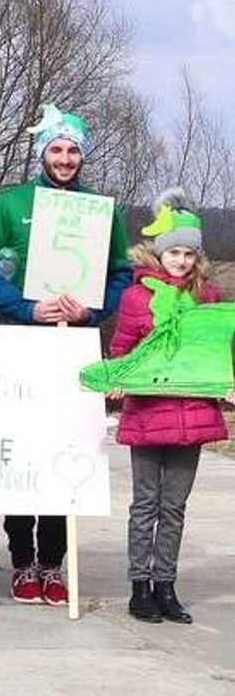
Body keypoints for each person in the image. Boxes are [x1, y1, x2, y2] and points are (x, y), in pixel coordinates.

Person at [0, 103, 131, 606]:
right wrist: (25, 308)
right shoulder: (11, 202)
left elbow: (120, 274)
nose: (64, 159)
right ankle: (22, 560)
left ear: (82, 157)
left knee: (69, 452)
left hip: (75, 343)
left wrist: (93, 311)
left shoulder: (102, 211)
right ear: (43, 153)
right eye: (56, 150)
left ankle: (53, 561)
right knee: (24, 453)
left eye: (72, 151)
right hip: (23, 341)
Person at [107, 189, 228, 626]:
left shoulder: (206, 299)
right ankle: (139, 585)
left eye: (187, 253)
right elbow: (123, 349)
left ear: (196, 257)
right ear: (160, 253)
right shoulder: (137, 298)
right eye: (173, 251)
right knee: (145, 504)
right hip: (148, 413)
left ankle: (166, 585)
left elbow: (215, 351)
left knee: (174, 506)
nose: (180, 260)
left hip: (191, 415)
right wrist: (117, 379)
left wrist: (225, 383)